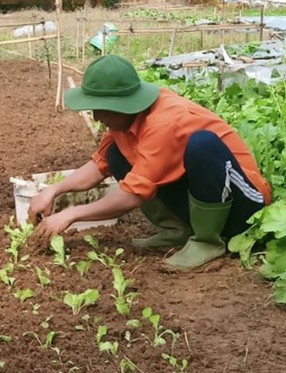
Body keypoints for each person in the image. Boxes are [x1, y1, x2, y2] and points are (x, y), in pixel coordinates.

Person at [30, 55, 272, 270]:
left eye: (100, 109)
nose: (96, 117)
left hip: (245, 208)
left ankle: (209, 241)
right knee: (116, 154)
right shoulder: (124, 122)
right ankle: (179, 230)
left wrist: (71, 215)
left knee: (202, 144)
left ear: (122, 106)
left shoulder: (164, 122)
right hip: (206, 198)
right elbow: (99, 165)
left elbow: (131, 195)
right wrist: (53, 190)